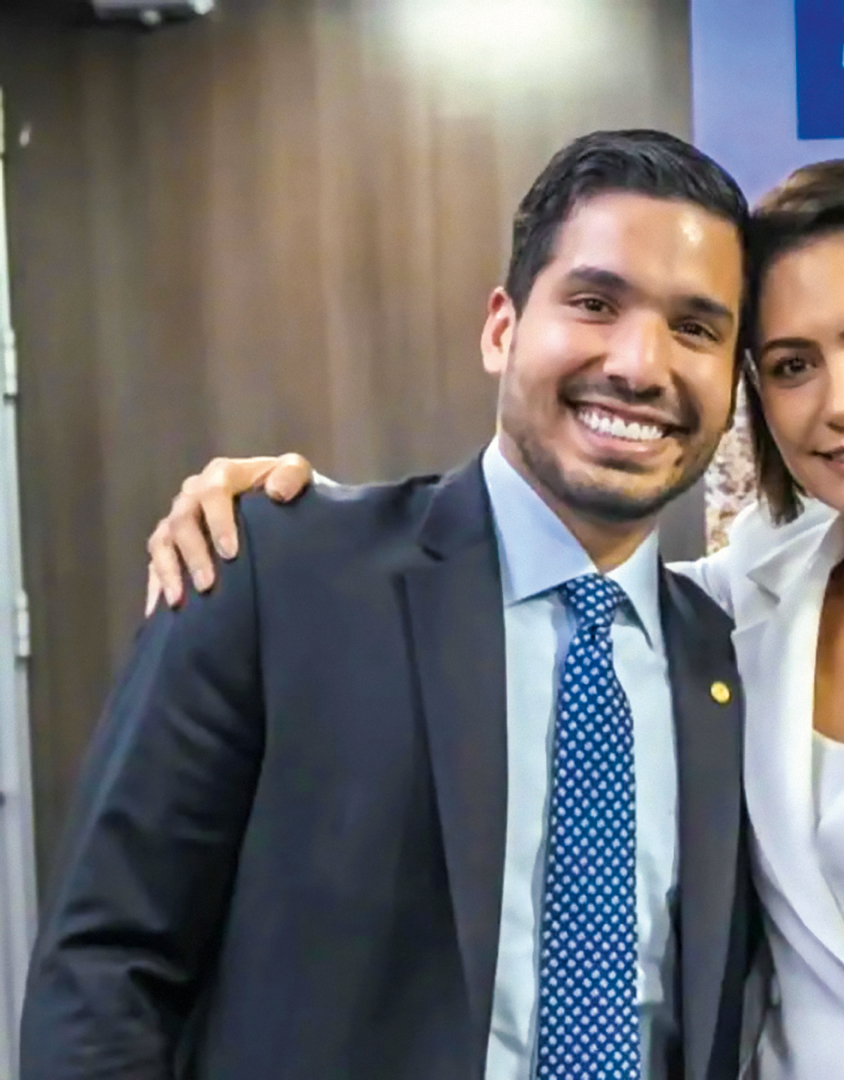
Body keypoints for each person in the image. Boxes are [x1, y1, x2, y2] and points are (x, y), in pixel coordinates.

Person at [140, 160, 844, 1077]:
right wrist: (282, 506)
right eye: (790, 365)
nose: (843, 402)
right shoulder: (730, 606)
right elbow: (492, 571)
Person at [21, 130, 763, 1080]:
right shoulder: (276, 572)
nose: (639, 363)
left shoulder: (731, 657)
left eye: (696, 328)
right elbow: (107, 967)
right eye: (593, 303)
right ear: (502, 327)